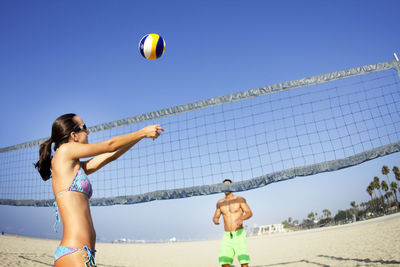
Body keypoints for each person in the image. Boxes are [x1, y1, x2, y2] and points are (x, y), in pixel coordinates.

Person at [35, 113, 163, 267]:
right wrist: (142, 131)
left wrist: (140, 138)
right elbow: (110, 145)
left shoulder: (74, 166)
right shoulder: (65, 151)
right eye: (84, 127)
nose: (88, 132)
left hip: (83, 253)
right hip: (75, 252)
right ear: (73, 135)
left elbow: (111, 155)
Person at [213, 179, 253, 267]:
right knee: (224, 262)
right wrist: (215, 220)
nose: (226, 187)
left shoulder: (239, 199)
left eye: (228, 185)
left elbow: (249, 213)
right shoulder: (220, 203)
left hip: (239, 234)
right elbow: (216, 216)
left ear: (232, 186)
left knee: (244, 261)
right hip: (227, 235)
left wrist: (242, 218)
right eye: (224, 185)